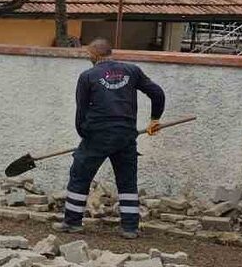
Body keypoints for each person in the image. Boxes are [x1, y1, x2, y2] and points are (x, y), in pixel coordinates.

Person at [57, 38, 165, 238]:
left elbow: (81, 111)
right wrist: (154, 119)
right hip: (126, 135)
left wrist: (84, 137)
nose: (88, 57)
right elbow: (157, 93)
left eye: (89, 54)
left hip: (97, 135)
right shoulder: (132, 71)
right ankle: (130, 228)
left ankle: (72, 223)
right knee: (127, 181)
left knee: (80, 175)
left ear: (94, 55)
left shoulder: (88, 76)